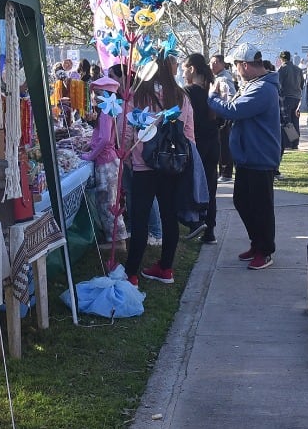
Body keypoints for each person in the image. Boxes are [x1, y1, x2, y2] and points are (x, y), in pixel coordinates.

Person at [115, 53, 194, 285]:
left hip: (143, 166)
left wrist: (127, 156)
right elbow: (188, 133)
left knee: (139, 219)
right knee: (170, 217)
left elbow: (125, 131)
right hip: (172, 166)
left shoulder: (137, 97)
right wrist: (185, 160)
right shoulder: (181, 96)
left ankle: (131, 273)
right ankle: (166, 268)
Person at [208, 51, 281, 269]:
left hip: (260, 156)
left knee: (261, 207)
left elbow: (234, 110)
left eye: (236, 65)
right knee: (242, 201)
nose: (235, 70)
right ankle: (257, 243)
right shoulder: (254, 85)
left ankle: (265, 250)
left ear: (245, 65)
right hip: (249, 156)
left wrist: (211, 98)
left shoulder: (263, 89)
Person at [82, 75, 128, 254]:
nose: (94, 98)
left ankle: (118, 241)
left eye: (97, 94)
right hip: (109, 160)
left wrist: (91, 155)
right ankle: (115, 238)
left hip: (106, 162)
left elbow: (104, 139)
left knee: (107, 202)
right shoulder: (108, 111)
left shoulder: (106, 113)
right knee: (107, 200)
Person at [182, 53, 220, 244]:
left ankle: (196, 221)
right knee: (211, 185)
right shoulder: (212, 90)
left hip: (197, 144)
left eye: (183, 69)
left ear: (192, 69)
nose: (182, 74)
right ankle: (210, 230)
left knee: (195, 184)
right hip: (213, 142)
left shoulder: (188, 92)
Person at [210, 54, 236, 181]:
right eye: (211, 63)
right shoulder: (217, 77)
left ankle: (226, 172)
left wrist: (227, 109)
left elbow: (231, 95)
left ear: (222, 63)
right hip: (219, 113)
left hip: (224, 115)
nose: (212, 65)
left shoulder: (224, 78)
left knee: (224, 144)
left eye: (215, 63)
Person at [276, 50, 304, 152]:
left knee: (287, 121)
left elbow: (279, 84)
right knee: (295, 120)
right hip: (297, 97)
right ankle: (295, 143)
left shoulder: (282, 69)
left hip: (286, 97)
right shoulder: (298, 69)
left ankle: (289, 143)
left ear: (281, 59)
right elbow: (302, 84)